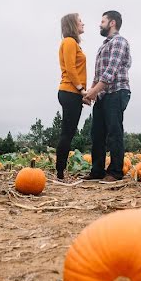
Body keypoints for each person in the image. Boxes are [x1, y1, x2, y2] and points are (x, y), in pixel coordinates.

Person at [83, 10, 131, 182]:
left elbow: (111, 71)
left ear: (112, 23)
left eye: (102, 21)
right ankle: (97, 170)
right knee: (97, 133)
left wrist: (94, 91)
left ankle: (116, 172)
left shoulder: (119, 42)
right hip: (103, 94)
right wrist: (91, 92)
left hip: (117, 92)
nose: (99, 24)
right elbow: (98, 75)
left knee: (114, 133)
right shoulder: (104, 45)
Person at [55, 13, 87, 180]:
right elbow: (70, 69)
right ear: (72, 25)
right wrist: (82, 90)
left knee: (69, 133)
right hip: (69, 91)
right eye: (80, 21)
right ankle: (60, 173)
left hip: (72, 92)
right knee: (67, 133)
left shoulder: (74, 44)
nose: (83, 23)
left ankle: (60, 171)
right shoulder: (69, 42)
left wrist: (82, 93)